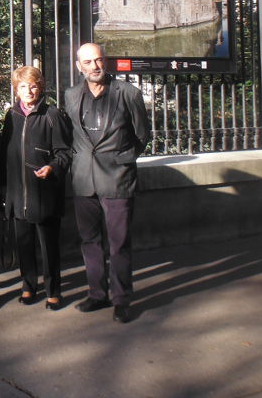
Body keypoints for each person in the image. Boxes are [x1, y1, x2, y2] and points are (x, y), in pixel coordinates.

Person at [64, 42, 150, 324]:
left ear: (106, 62)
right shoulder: (72, 95)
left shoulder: (129, 94)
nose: (94, 66)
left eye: (99, 60)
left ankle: (122, 299)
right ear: (79, 67)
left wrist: (120, 161)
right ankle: (97, 294)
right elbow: (73, 137)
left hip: (117, 179)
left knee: (119, 243)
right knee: (90, 241)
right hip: (84, 179)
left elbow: (141, 137)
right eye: (87, 62)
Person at [1, 66, 72, 310]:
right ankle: (28, 285)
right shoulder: (11, 115)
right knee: (23, 245)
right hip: (19, 193)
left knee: (49, 247)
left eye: (32, 86)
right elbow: (5, 153)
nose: (28, 91)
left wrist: (52, 167)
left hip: (45, 193)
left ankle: (54, 290)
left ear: (40, 87)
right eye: (23, 86)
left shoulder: (52, 114)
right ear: (16, 90)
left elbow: (65, 152)